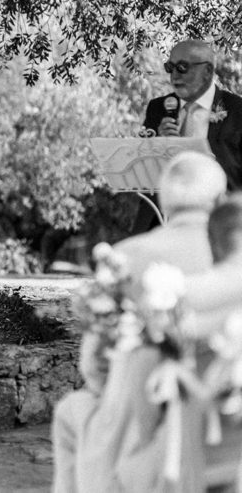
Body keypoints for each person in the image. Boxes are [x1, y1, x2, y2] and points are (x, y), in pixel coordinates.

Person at [51, 151, 227, 493]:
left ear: (165, 202)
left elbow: (94, 366)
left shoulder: (125, 258)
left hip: (140, 438)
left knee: (72, 411)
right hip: (226, 423)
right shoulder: (232, 259)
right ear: (219, 202)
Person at [142, 39, 242, 190]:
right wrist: (159, 144)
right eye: (170, 67)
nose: (174, 75)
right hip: (167, 208)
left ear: (207, 71)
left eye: (182, 67)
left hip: (219, 207)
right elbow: (142, 168)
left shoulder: (237, 110)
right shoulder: (158, 108)